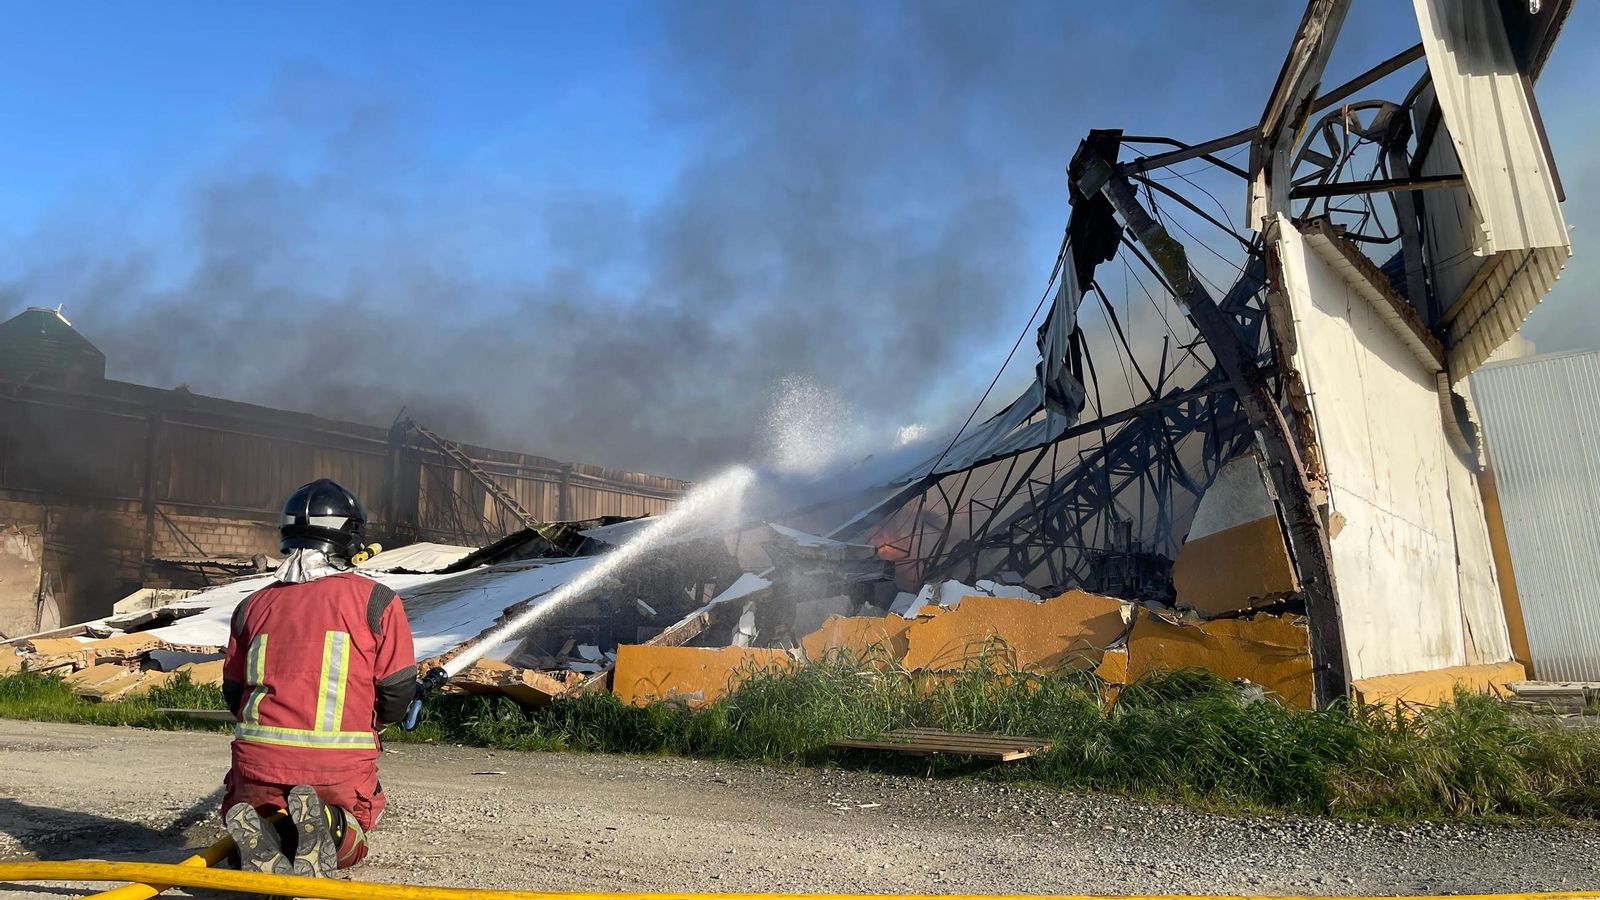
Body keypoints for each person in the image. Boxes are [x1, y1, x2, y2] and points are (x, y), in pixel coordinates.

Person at [220, 478, 416, 876]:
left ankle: (257, 842)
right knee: (354, 831)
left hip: (257, 765)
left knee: (260, 818)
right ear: (350, 538)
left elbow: (233, 691)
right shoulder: (377, 600)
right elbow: (396, 688)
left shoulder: (252, 605)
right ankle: (329, 827)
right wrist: (379, 718)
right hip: (336, 769)